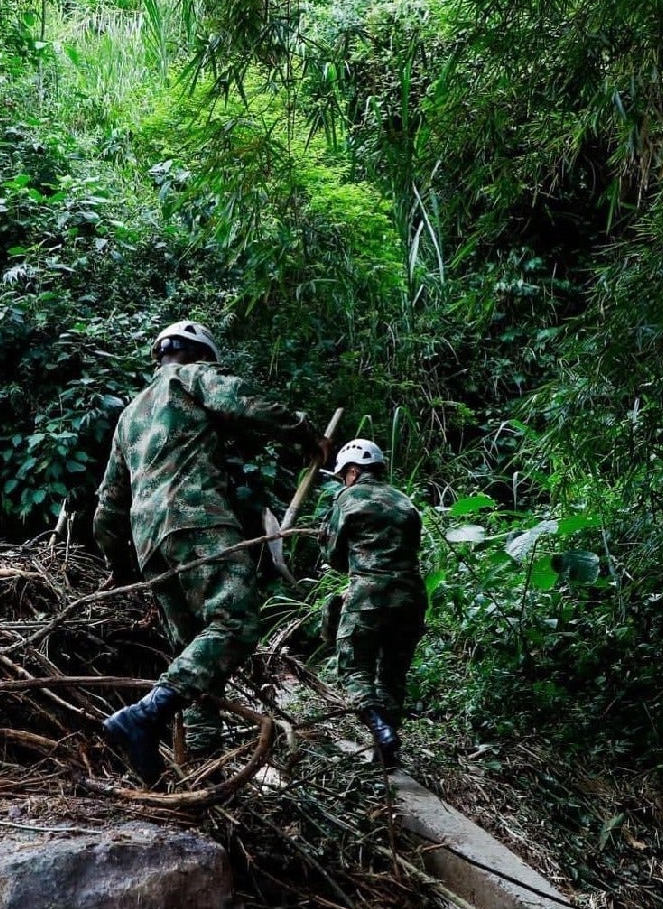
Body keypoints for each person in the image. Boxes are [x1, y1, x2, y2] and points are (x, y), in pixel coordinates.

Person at [94, 319, 330, 784]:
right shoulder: (191, 376)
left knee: (196, 657)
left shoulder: (129, 415)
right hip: (196, 521)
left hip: (150, 547)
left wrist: (120, 567)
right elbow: (244, 403)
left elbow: (108, 506)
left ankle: (200, 767)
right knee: (236, 623)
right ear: (198, 354)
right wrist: (307, 435)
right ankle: (144, 715)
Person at [320, 438, 425, 768]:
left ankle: (379, 729)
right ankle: (387, 754)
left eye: (343, 475)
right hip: (412, 597)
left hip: (369, 596)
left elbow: (333, 555)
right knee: (392, 675)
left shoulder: (349, 498)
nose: (343, 481)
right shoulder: (405, 501)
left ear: (352, 471)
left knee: (354, 669)